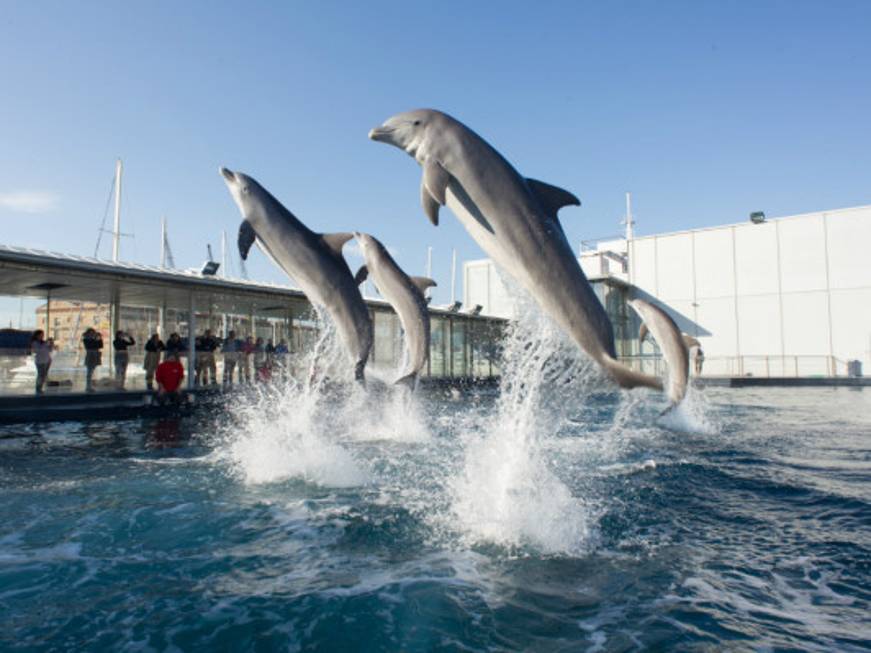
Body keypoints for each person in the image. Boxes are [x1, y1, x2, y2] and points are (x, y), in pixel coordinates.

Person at [30, 329, 54, 395]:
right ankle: (38, 388)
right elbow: (38, 350)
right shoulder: (34, 342)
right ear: (37, 335)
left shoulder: (43, 342)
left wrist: (51, 344)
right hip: (40, 361)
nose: (42, 336)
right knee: (40, 375)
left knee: (44, 375)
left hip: (47, 360)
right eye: (41, 335)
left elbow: (50, 350)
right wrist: (46, 343)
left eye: (43, 335)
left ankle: (41, 387)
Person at [82, 328, 103, 392]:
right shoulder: (86, 339)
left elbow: (100, 346)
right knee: (89, 371)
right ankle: (88, 386)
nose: (92, 334)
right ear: (88, 333)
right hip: (90, 354)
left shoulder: (94, 339)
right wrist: (95, 338)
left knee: (92, 370)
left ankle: (90, 386)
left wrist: (99, 338)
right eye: (91, 333)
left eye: (93, 333)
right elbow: (90, 345)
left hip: (95, 354)